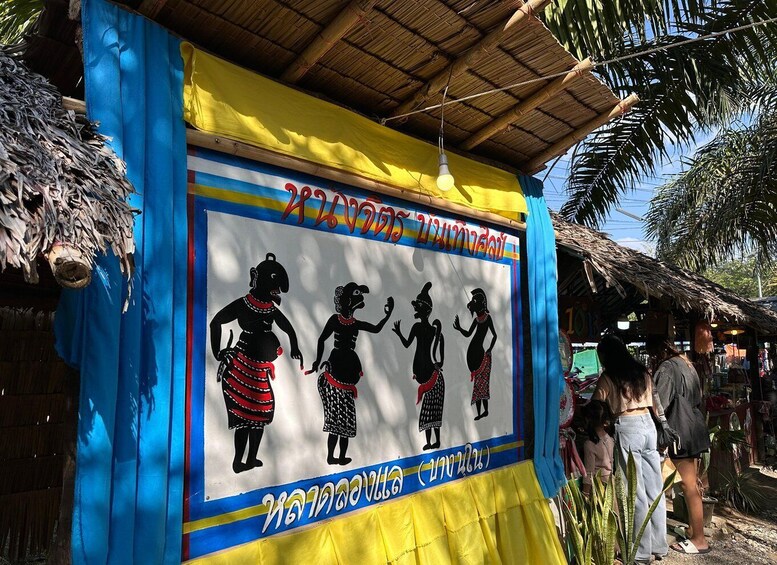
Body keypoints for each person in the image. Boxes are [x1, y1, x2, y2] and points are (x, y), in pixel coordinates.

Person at [592, 334, 674, 563]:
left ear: (606, 355)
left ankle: (641, 552)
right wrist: (664, 425)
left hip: (627, 426)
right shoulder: (641, 371)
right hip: (649, 425)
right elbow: (656, 401)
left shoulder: (609, 376)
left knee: (633, 492)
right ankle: (659, 546)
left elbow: (596, 406)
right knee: (655, 488)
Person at [647, 335, 712, 556]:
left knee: (688, 485)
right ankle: (694, 530)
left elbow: (659, 403)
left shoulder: (666, 368)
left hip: (680, 427)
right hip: (693, 424)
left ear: (658, 352)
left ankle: (699, 539)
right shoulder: (687, 363)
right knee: (692, 483)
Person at [581, 399, 615, 495]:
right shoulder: (610, 439)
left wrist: (585, 495)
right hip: (611, 483)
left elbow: (589, 473)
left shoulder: (589, 445)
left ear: (587, 420)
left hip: (598, 488)